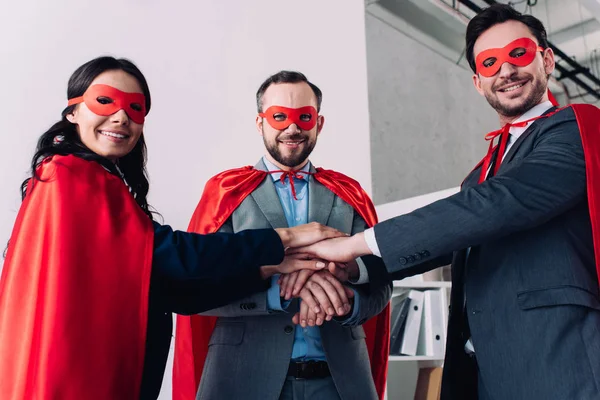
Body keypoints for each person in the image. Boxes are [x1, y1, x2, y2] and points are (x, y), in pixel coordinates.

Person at [293, 4, 600, 400]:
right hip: (486, 370)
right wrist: (354, 269)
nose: (505, 71)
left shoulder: (576, 128)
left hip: (557, 361)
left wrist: (354, 243)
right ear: (477, 81)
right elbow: (454, 236)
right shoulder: (480, 172)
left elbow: (496, 205)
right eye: (490, 63)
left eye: (518, 54)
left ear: (547, 59)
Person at [0, 57, 343, 400]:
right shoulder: (69, 176)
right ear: (73, 112)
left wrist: (268, 268)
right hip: (74, 380)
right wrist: (285, 238)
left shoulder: (94, 181)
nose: (121, 117)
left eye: (135, 108)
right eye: (105, 100)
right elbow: (174, 254)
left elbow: (174, 290)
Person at [172, 71, 391, 400]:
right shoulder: (226, 193)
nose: (292, 128)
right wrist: (278, 294)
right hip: (242, 380)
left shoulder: (349, 193)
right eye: (279, 117)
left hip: (340, 382)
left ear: (319, 122)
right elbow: (196, 289)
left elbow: (382, 280)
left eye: (304, 117)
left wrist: (345, 300)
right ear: (260, 123)